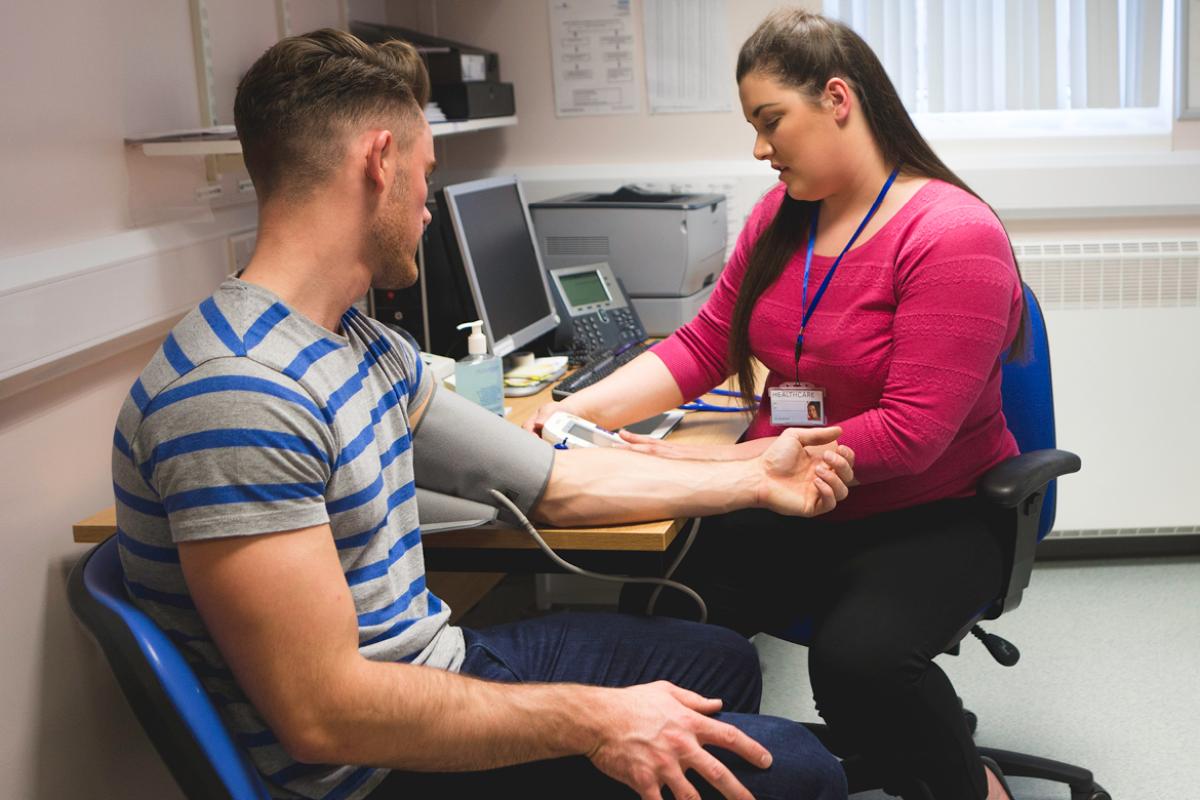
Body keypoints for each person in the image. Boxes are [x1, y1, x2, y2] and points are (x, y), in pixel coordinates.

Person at [109, 29, 856, 800]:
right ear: (379, 161)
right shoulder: (237, 395)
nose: (428, 210)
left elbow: (548, 482)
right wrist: (598, 721)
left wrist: (754, 479)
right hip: (371, 769)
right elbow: (324, 718)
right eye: (426, 177)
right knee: (802, 774)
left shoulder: (360, 344)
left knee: (717, 660)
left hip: (429, 666)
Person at [525, 10, 1027, 800]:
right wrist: (568, 414)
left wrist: (717, 463)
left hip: (931, 511)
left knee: (857, 663)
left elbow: (911, 434)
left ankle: (971, 782)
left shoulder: (951, 233)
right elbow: (701, 347)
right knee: (659, 612)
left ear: (836, 99)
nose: (760, 149)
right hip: (789, 494)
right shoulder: (778, 219)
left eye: (770, 121)